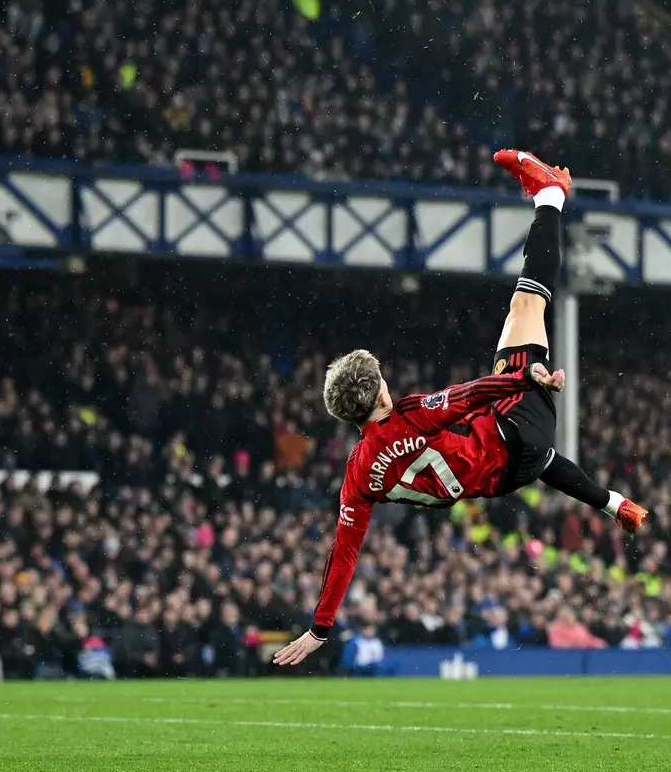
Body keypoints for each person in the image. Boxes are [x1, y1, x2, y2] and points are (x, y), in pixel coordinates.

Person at [274, 150, 648, 666]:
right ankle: (550, 195)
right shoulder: (409, 415)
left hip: (508, 471)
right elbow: (468, 395)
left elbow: (344, 554)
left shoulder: (359, 477)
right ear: (381, 393)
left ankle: (614, 503)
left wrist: (319, 628)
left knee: (529, 437)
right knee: (527, 304)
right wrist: (525, 376)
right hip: (516, 421)